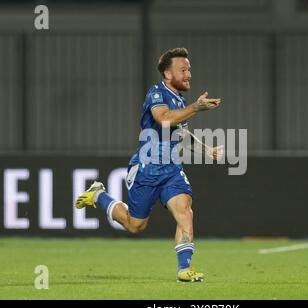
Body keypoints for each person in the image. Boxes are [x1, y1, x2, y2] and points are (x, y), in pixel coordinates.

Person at [75, 48, 222, 282]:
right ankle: (99, 195)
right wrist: (195, 108)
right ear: (167, 73)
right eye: (183, 70)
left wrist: (207, 150)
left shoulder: (179, 100)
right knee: (135, 226)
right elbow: (163, 119)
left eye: (189, 69)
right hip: (146, 170)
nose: (189, 74)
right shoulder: (156, 93)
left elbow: (180, 134)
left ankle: (184, 269)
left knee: (185, 211)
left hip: (171, 172)